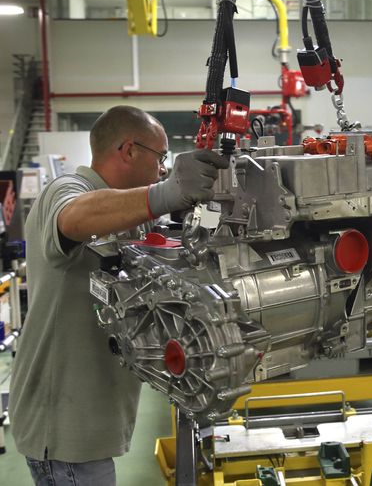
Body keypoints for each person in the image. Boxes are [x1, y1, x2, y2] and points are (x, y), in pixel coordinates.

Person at [9, 105, 229, 485]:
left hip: (92, 419)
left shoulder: (127, 211)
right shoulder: (66, 192)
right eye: (160, 158)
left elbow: (177, 252)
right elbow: (74, 218)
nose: (163, 169)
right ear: (128, 150)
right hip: (63, 428)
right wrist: (166, 192)